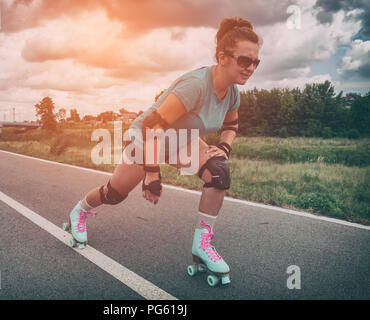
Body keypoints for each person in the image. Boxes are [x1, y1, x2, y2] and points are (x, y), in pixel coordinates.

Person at [63, 17, 262, 286]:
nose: (251, 68)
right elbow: (152, 125)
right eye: (244, 60)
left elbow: (231, 124)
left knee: (219, 172)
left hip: (181, 141)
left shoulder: (232, 93)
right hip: (146, 139)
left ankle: (201, 245)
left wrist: (224, 147)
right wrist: (152, 173)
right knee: (114, 194)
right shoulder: (195, 85)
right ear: (222, 57)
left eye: (255, 62)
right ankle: (80, 211)